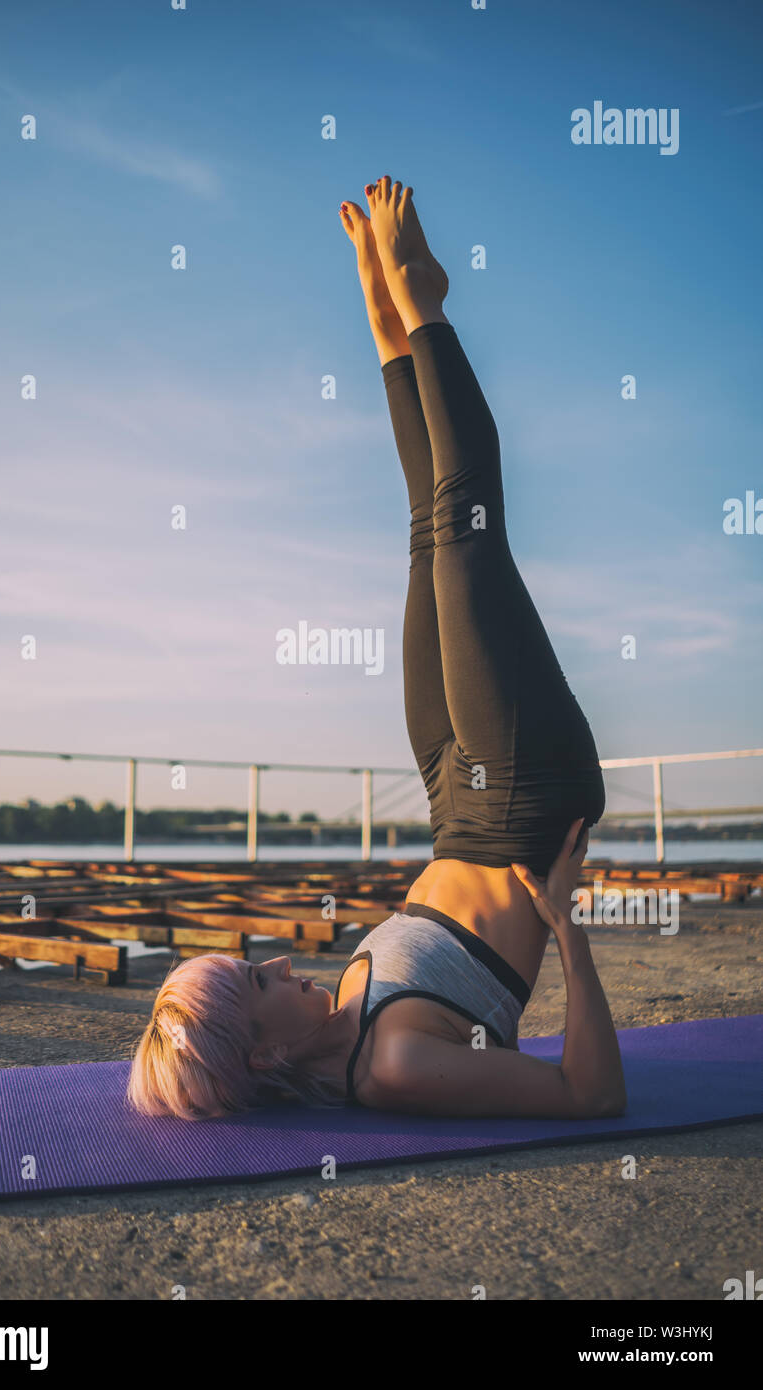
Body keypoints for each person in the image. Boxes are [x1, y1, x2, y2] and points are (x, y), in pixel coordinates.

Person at [128, 177, 626, 1123]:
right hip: (525, 799)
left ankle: (390, 331)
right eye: (260, 978)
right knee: (471, 518)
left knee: (427, 529)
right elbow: (591, 1095)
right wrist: (568, 929)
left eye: (257, 961)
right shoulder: (390, 1065)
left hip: (453, 799)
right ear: (265, 1046)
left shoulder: (332, 1027)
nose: (279, 958)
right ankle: (426, 305)